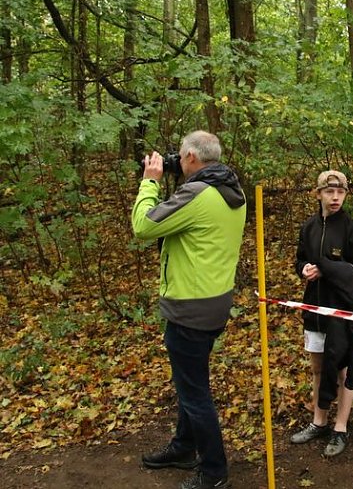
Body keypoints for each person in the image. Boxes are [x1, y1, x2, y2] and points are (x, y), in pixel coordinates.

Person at [133, 131, 246, 489]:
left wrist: (150, 182)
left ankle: (214, 471)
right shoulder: (232, 190)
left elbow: (144, 226)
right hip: (215, 302)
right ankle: (184, 446)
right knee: (190, 383)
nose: (177, 161)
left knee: (195, 394)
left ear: (193, 158)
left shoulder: (197, 194)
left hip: (189, 309)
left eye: (180, 156)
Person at [290, 170, 353, 458]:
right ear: (318, 194)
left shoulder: (351, 229)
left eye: (340, 192)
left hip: (343, 311)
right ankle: (319, 421)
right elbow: (300, 259)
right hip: (314, 309)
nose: (335, 197)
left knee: (342, 370)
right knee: (318, 368)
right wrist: (304, 269)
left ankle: (341, 427)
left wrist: (327, 269)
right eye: (329, 192)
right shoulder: (309, 227)